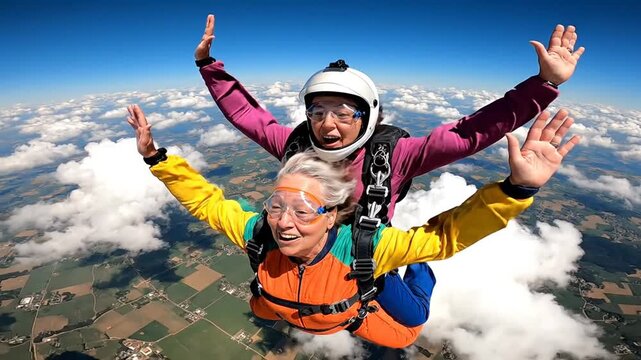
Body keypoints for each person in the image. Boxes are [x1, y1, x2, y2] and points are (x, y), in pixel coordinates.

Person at [193, 14, 585, 328]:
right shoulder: (295, 144)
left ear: (367, 117)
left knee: (413, 315)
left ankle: (419, 267)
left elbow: (468, 134)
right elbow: (247, 115)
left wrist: (543, 85)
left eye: (344, 114)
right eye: (317, 112)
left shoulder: (394, 155)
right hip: (310, 241)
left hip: (367, 251)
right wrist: (208, 66)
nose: (328, 125)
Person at [126, 104, 579, 348]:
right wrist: (155, 157)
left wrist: (516, 190)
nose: (284, 221)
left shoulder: (363, 247)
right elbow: (206, 201)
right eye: (277, 204)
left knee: (411, 325)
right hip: (290, 307)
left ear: (332, 216)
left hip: (355, 311)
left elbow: (444, 237)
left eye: (304, 210)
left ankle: (415, 276)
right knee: (264, 307)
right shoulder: (257, 233)